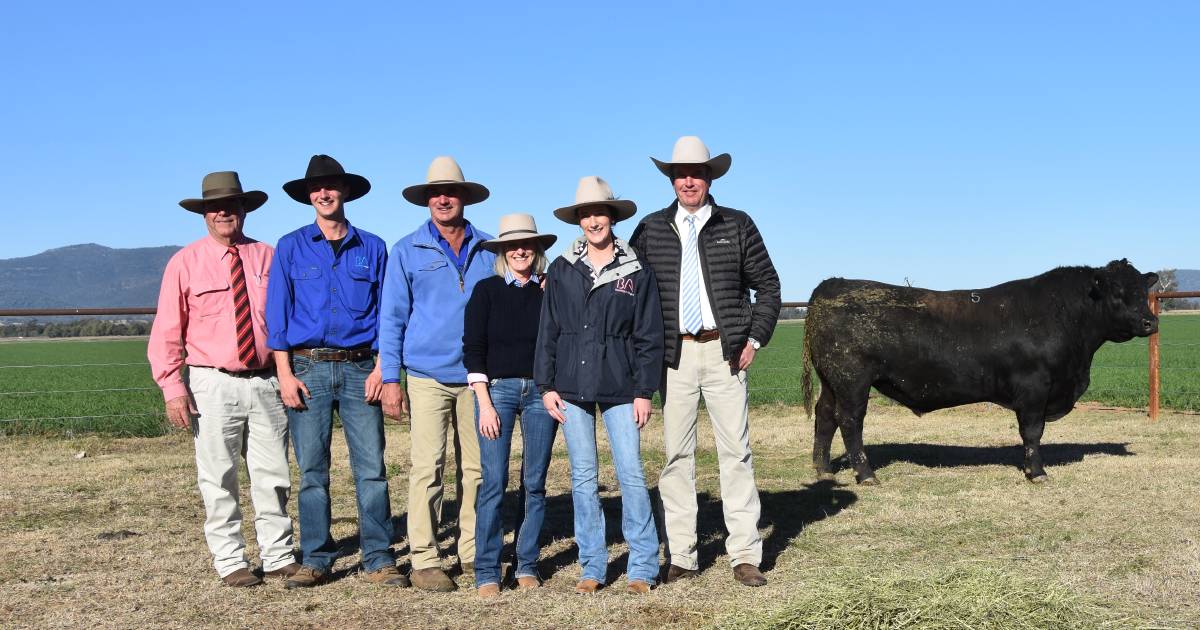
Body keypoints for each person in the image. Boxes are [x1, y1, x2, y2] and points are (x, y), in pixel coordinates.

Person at [630, 136, 782, 587]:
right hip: (673, 357)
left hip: (725, 353)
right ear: (672, 180)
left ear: (710, 177)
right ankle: (682, 554)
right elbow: (631, 290)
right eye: (681, 174)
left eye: (696, 173)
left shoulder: (737, 224)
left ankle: (744, 554)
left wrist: (754, 336)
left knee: (735, 453)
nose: (689, 180)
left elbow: (769, 287)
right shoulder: (651, 229)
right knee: (676, 455)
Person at [148, 171, 298, 587]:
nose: (223, 213)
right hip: (211, 382)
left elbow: (288, 320)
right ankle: (231, 560)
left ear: (244, 208)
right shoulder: (184, 263)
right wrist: (173, 388)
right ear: (204, 214)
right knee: (218, 475)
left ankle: (279, 554)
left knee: (273, 474)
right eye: (214, 207)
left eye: (231, 205)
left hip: (267, 380)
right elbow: (166, 330)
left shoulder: (270, 257)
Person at [266, 154, 405, 589]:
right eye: (316, 188)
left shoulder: (374, 247)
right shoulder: (289, 246)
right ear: (308, 196)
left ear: (345, 192)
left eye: (331, 186)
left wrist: (383, 367)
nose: (324, 193)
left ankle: (379, 557)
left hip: (361, 366)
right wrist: (285, 375)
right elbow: (277, 313)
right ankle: (316, 557)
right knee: (311, 471)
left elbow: (388, 313)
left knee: (371, 468)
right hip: (306, 368)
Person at [534, 176, 664, 595]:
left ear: (612, 216)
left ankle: (643, 566)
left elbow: (649, 334)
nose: (594, 220)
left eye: (600, 213)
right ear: (578, 221)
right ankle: (592, 566)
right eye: (586, 214)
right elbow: (548, 329)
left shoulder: (636, 268)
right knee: (584, 477)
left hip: (621, 385)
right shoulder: (561, 268)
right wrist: (546, 385)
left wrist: (645, 390)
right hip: (570, 386)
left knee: (630, 473)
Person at [379, 156, 497, 592]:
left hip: (477, 378)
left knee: (478, 469)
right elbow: (391, 318)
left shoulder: (489, 248)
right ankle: (426, 558)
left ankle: (470, 551)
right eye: (435, 193)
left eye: (451, 191)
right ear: (426, 200)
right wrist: (391, 378)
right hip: (426, 375)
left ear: (464, 198)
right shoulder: (406, 250)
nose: (443, 198)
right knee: (427, 467)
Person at [463, 213, 559, 598]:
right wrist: (484, 403)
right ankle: (486, 570)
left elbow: (561, 341)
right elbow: (473, 348)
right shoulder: (486, 291)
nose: (520, 250)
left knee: (534, 482)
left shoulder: (550, 293)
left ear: (536, 250)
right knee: (494, 482)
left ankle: (527, 563)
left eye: (527, 244)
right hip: (497, 393)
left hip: (540, 391)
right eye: (512, 245)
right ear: (502, 251)